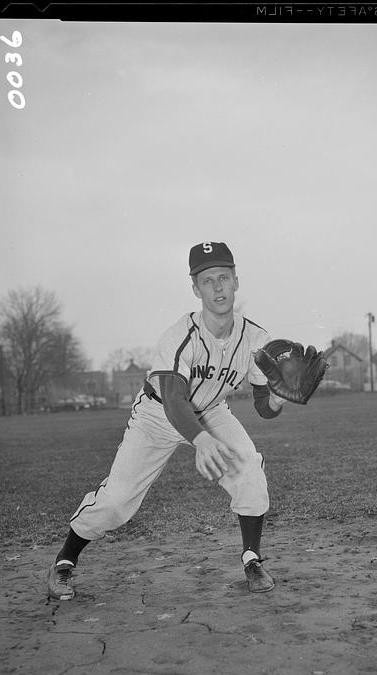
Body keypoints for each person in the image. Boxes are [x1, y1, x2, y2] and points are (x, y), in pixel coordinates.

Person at [47, 241, 286, 600]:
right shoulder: (179, 336)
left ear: (236, 281)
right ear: (195, 288)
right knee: (117, 501)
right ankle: (65, 560)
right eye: (207, 281)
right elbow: (174, 400)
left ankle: (252, 558)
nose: (218, 287)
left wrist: (279, 396)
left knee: (249, 467)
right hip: (158, 414)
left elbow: (264, 407)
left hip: (212, 410)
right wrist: (201, 439)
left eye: (224, 277)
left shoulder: (255, 339)